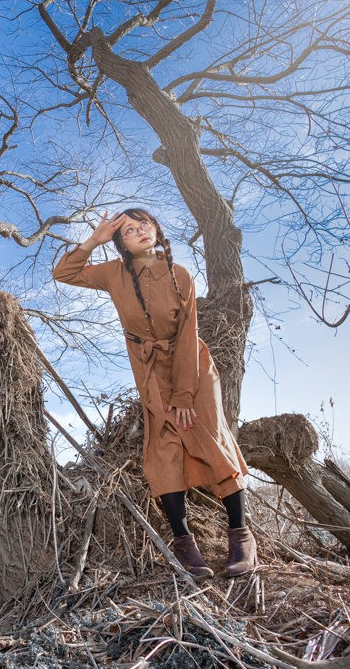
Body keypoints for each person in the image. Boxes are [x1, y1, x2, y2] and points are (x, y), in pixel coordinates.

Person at [53, 207, 257, 579]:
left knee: (212, 439)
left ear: (155, 229)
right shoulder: (113, 274)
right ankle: (183, 543)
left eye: (143, 224)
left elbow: (188, 336)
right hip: (151, 373)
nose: (140, 231)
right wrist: (94, 240)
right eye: (129, 230)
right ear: (121, 245)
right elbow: (63, 273)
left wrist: (183, 395)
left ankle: (241, 537)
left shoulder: (180, 275)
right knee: (164, 450)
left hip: (192, 368)